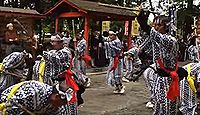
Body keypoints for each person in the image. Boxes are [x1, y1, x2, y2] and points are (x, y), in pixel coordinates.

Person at [137, 10, 179, 114]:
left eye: (159, 25)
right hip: (158, 77)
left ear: (166, 27)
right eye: (154, 25)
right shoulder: (154, 39)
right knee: (157, 106)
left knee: (167, 107)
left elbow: (156, 36)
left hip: (168, 79)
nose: (156, 27)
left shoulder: (171, 40)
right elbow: (140, 48)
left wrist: (144, 24)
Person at [0, 80, 73, 115]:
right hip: (7, 105)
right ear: (56, 96)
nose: (61, 106)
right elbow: (11, 104)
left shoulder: (56, 106)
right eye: (62, 103)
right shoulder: (35, 91)